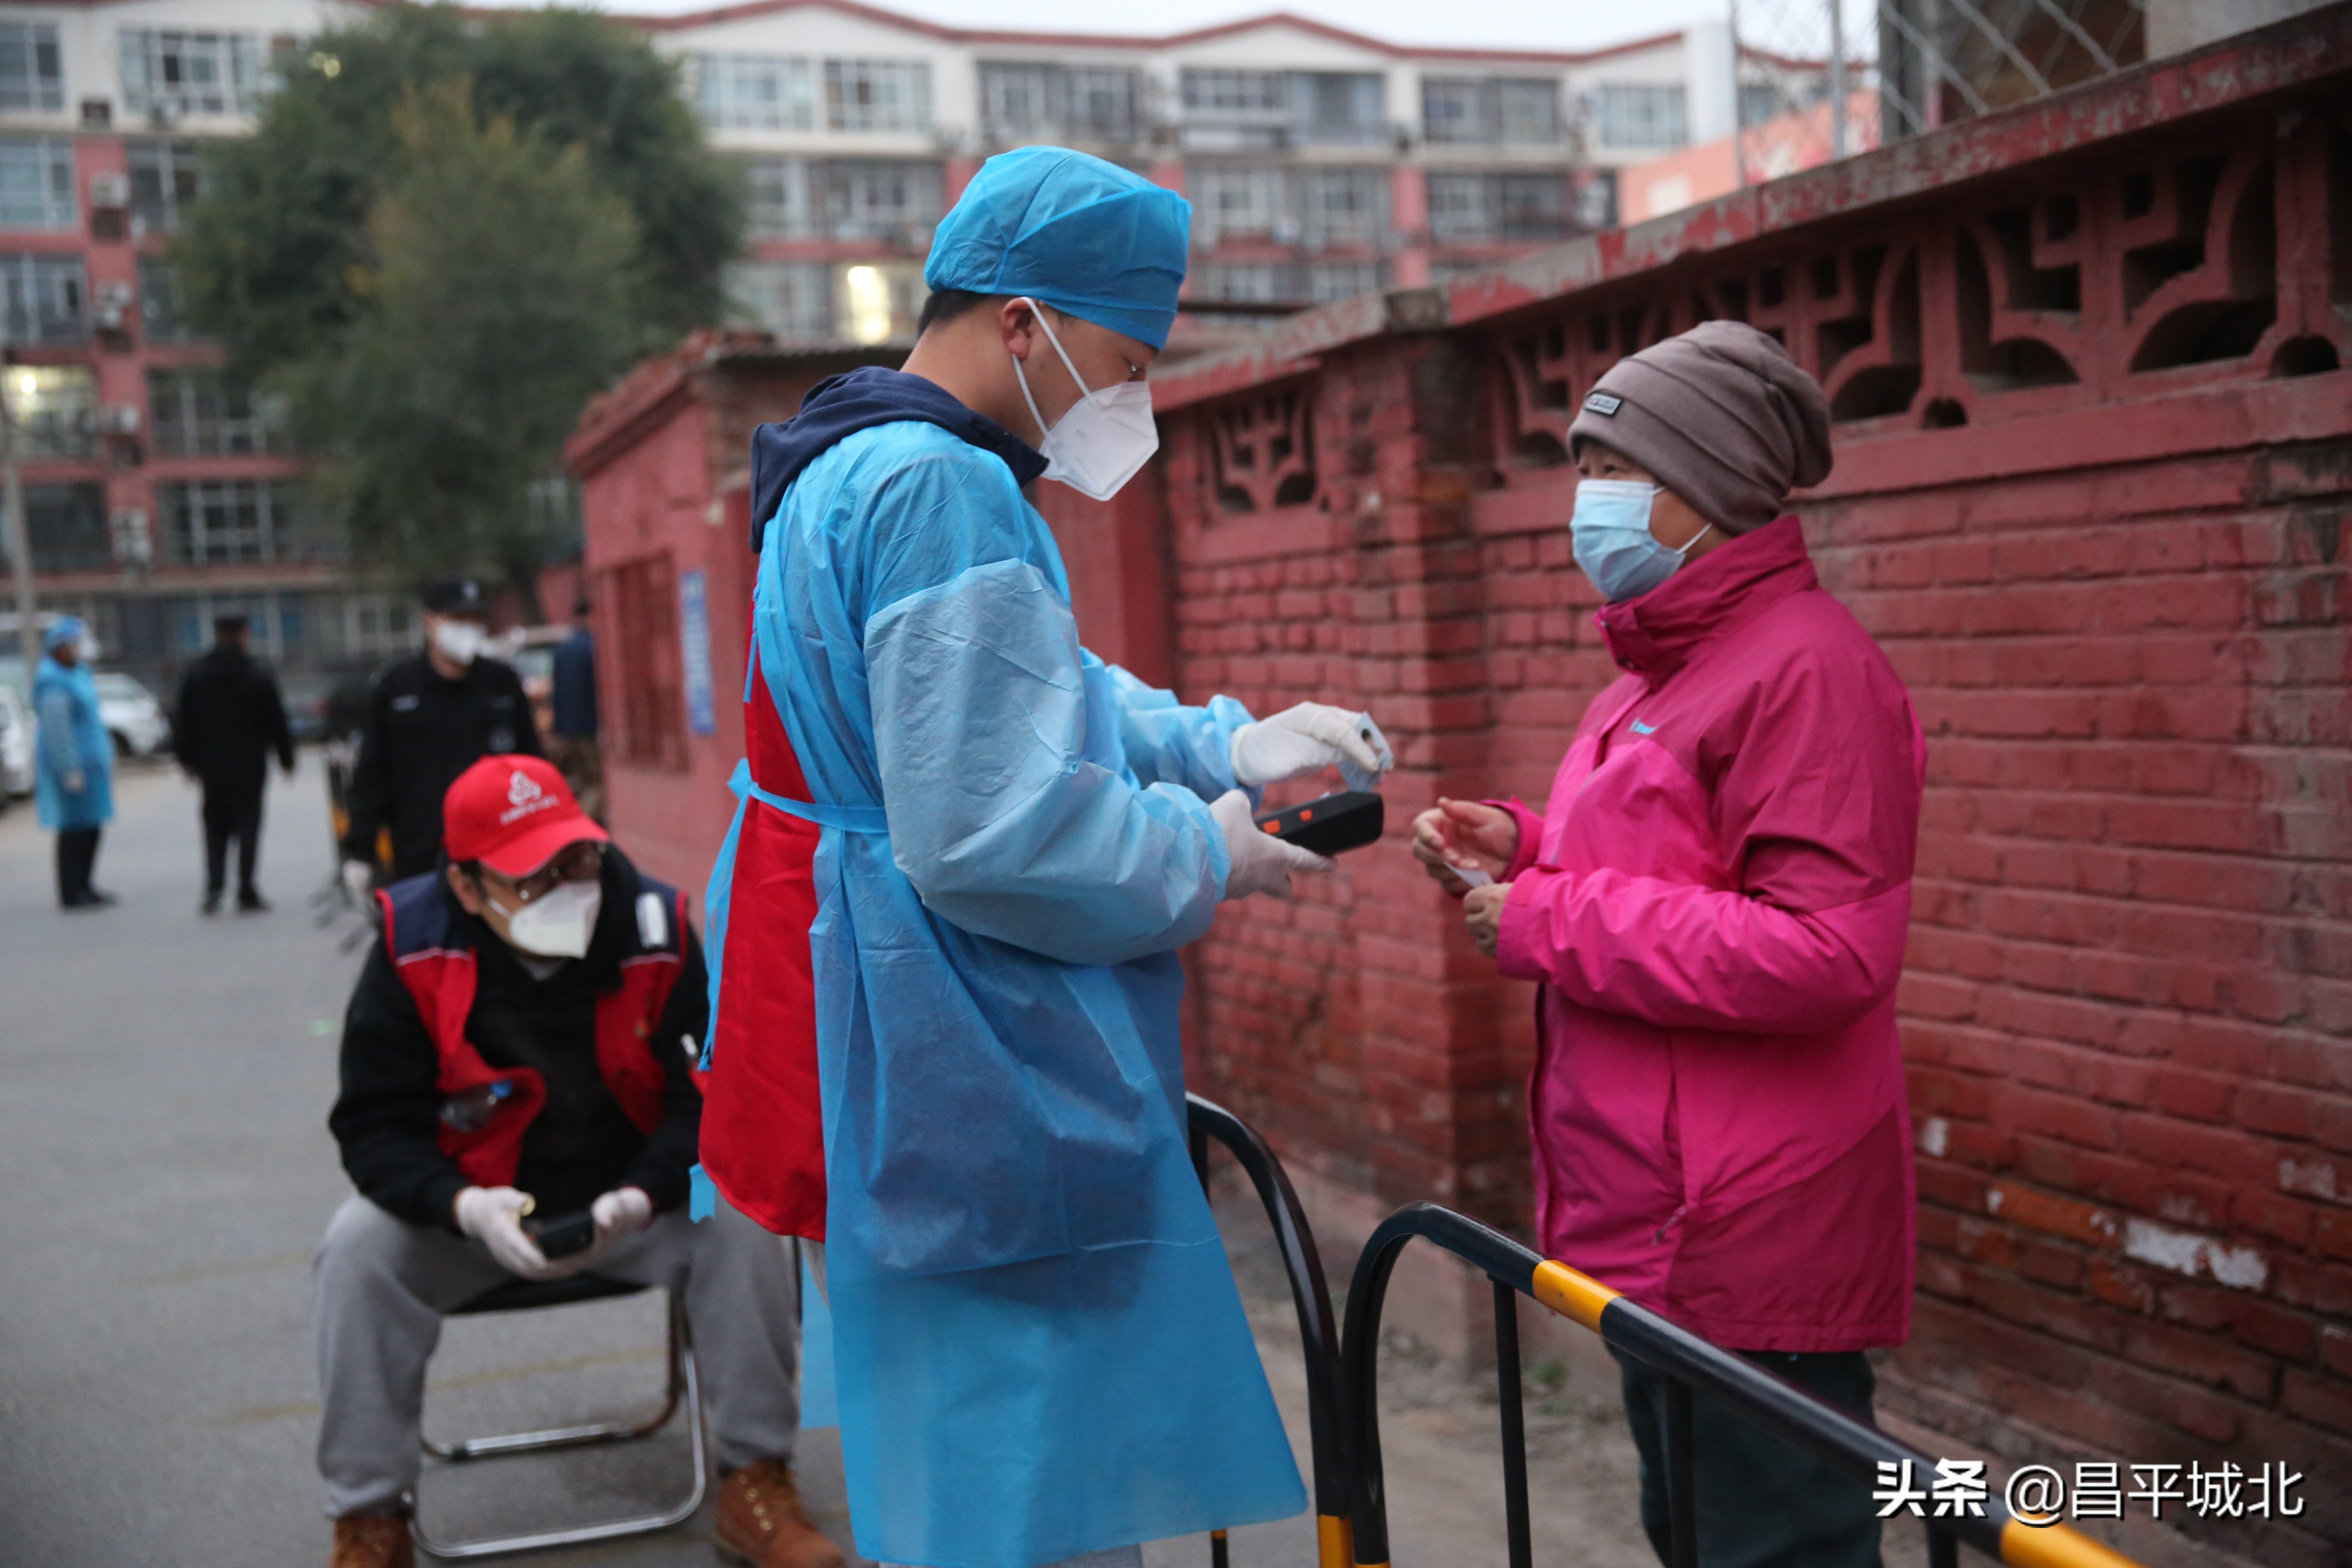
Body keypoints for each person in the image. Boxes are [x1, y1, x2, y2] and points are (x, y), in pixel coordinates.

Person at [698, 145, 1392, 1568]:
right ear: (1023, 322)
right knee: (1018, 1475)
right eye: (1123, 359)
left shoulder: (844, 456)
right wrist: (1204, 850)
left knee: (956, 1450)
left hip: (851, 981)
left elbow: (1019, 686)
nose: (1127, 401)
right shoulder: (943, 485)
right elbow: (988, 827)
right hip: (949, 1017)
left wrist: (1218, 742)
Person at [1413, 321, 1923, 1568]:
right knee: (1694, 1526)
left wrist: (1544, 915)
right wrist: (1524, 842)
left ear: (1718, 484)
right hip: (1654, 1209)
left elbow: (1825, 950)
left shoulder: (1807, 668)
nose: (1589, 498)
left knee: (1774, 1539)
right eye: (1584, 464)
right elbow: (1673, 866)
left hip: (1747, 1213)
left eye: (1616, 466)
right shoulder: (1651, 668)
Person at [316, 754, 839, 1568]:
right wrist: (464, 1207)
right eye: (536, 876)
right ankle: (370, 1518)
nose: (571, 887)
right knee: (356, 1250)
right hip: (476, 1215)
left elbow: (705, 1100)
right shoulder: (409, 952)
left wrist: (640, 1195)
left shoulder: (658, 931)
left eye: (580, 859)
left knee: (738, 1212)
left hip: (634, 1207)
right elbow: (374, 1129)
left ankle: (754, 1478)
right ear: (465, 887)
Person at [340, 578, 541, 894]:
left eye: (476, 620)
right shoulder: (397, 689)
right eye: (458, 620)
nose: (469, 629)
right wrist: (359, 851)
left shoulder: (501, 684)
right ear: (430, 622)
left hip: (498, 847)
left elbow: (532, 764)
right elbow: (373, 773)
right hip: (421, 849)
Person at [173, 612, 296, 914]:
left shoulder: (198, 673)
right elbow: (276, 720)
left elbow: (182, 720)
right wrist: (286, 758)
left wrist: (186, 760)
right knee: (249, 825)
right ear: (244, 634)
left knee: (215, 827)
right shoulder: (257, 673)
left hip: (211, 767)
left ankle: (215, 888)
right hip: (250, 765)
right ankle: (246, 889)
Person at [33, 615, 116, 910]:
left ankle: (86, 885)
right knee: (73, 832)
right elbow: (58, 731)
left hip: (92, 766)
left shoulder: (79, 674)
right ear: (59, 648)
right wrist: (68, 769)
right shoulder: (53, 681)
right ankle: (71, 890)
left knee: (91, 829)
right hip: (73, 770)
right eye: (73, 645)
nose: (78, 650)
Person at [547, 597, 602, 822]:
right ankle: (579, 827)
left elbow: (557, 693)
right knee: (598, 786)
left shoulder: (562, 650)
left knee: (580, 782)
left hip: (568, 730)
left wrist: (557, 728)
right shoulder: (593, 648)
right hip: (590, 728)